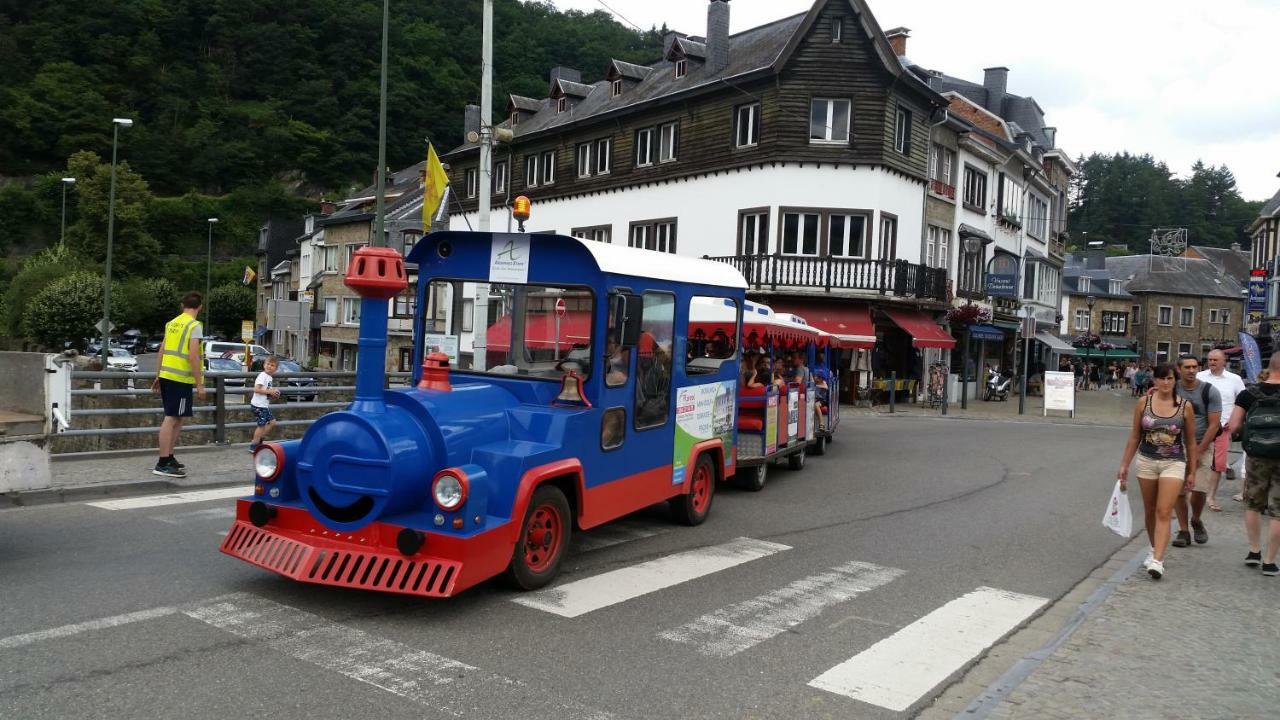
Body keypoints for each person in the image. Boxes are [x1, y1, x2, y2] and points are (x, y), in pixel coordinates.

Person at [1117, 363, 1198, 580]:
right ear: (1154, 380)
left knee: (1164, 511)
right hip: (1146, 461)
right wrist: (1124, 464)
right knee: (1151, 509)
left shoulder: (1185, 406)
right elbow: (1135, 435)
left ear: (1175, 381)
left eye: (1169, 378)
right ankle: (1154, 548)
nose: (1165, 382)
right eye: (1161, 378)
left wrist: (1191, 471)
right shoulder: (1144, 403)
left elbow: (1190, 442)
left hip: (1173, 462)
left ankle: (1158, 561)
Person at [1226, 354, 1280, 576]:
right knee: (1278, 511)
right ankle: (1269, 562)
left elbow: (1233, 426)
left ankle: (1254, 551)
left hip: (1257, 455)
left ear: (1270, 366)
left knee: (1253, 503)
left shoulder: (1249, 393)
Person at [150, 292, 205, 478]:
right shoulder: (195, 326)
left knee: (178, 417)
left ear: (183, 306)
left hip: (167, 375)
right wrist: (200, 384)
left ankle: (169, 456)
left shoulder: (172, 323)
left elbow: (162, 350)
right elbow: (193, 356)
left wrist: (158, 375)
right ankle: (162, 462)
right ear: (200, 307)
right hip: (180, 378)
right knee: (171, 417)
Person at [1171, 355, 1220, 547]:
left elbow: (1214, 424)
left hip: (1202, 444)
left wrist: (1198, 451)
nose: (1191, 370)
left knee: (1199, 488)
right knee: (1178, 491)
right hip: (1175, 445)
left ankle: (1196, 519)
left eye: (1195, 367)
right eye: (1187, 367)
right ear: (1179, 369)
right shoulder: (1173, 389)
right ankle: (1183, 531)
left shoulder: (1209, 391)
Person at [1197, 349, 1247, 512]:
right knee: (1196, 458)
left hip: (1222, 428)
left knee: (1217, 465)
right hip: (1200, 426)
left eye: (1215, 360)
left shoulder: (1235, 379)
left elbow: (1242, 402)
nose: (1211, 362)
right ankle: (1195, 490)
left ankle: (1211, 496)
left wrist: (1236, 422)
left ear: (1224, 361)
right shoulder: (1200, 377)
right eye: (1209, 359)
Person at [249, 356, 281, 452]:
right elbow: (257, 389)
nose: (269, 366)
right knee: (261, 426)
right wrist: (270, 392)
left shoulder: (269, 377)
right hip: (258, 405)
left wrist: (273, 393)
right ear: (264, 365)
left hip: (263, 405)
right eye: (268, 364)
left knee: (272, 422)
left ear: (275, 369)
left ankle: (258, 440)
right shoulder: (262, 376)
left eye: (272, 365)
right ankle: (254, 445)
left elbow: (266, 391)